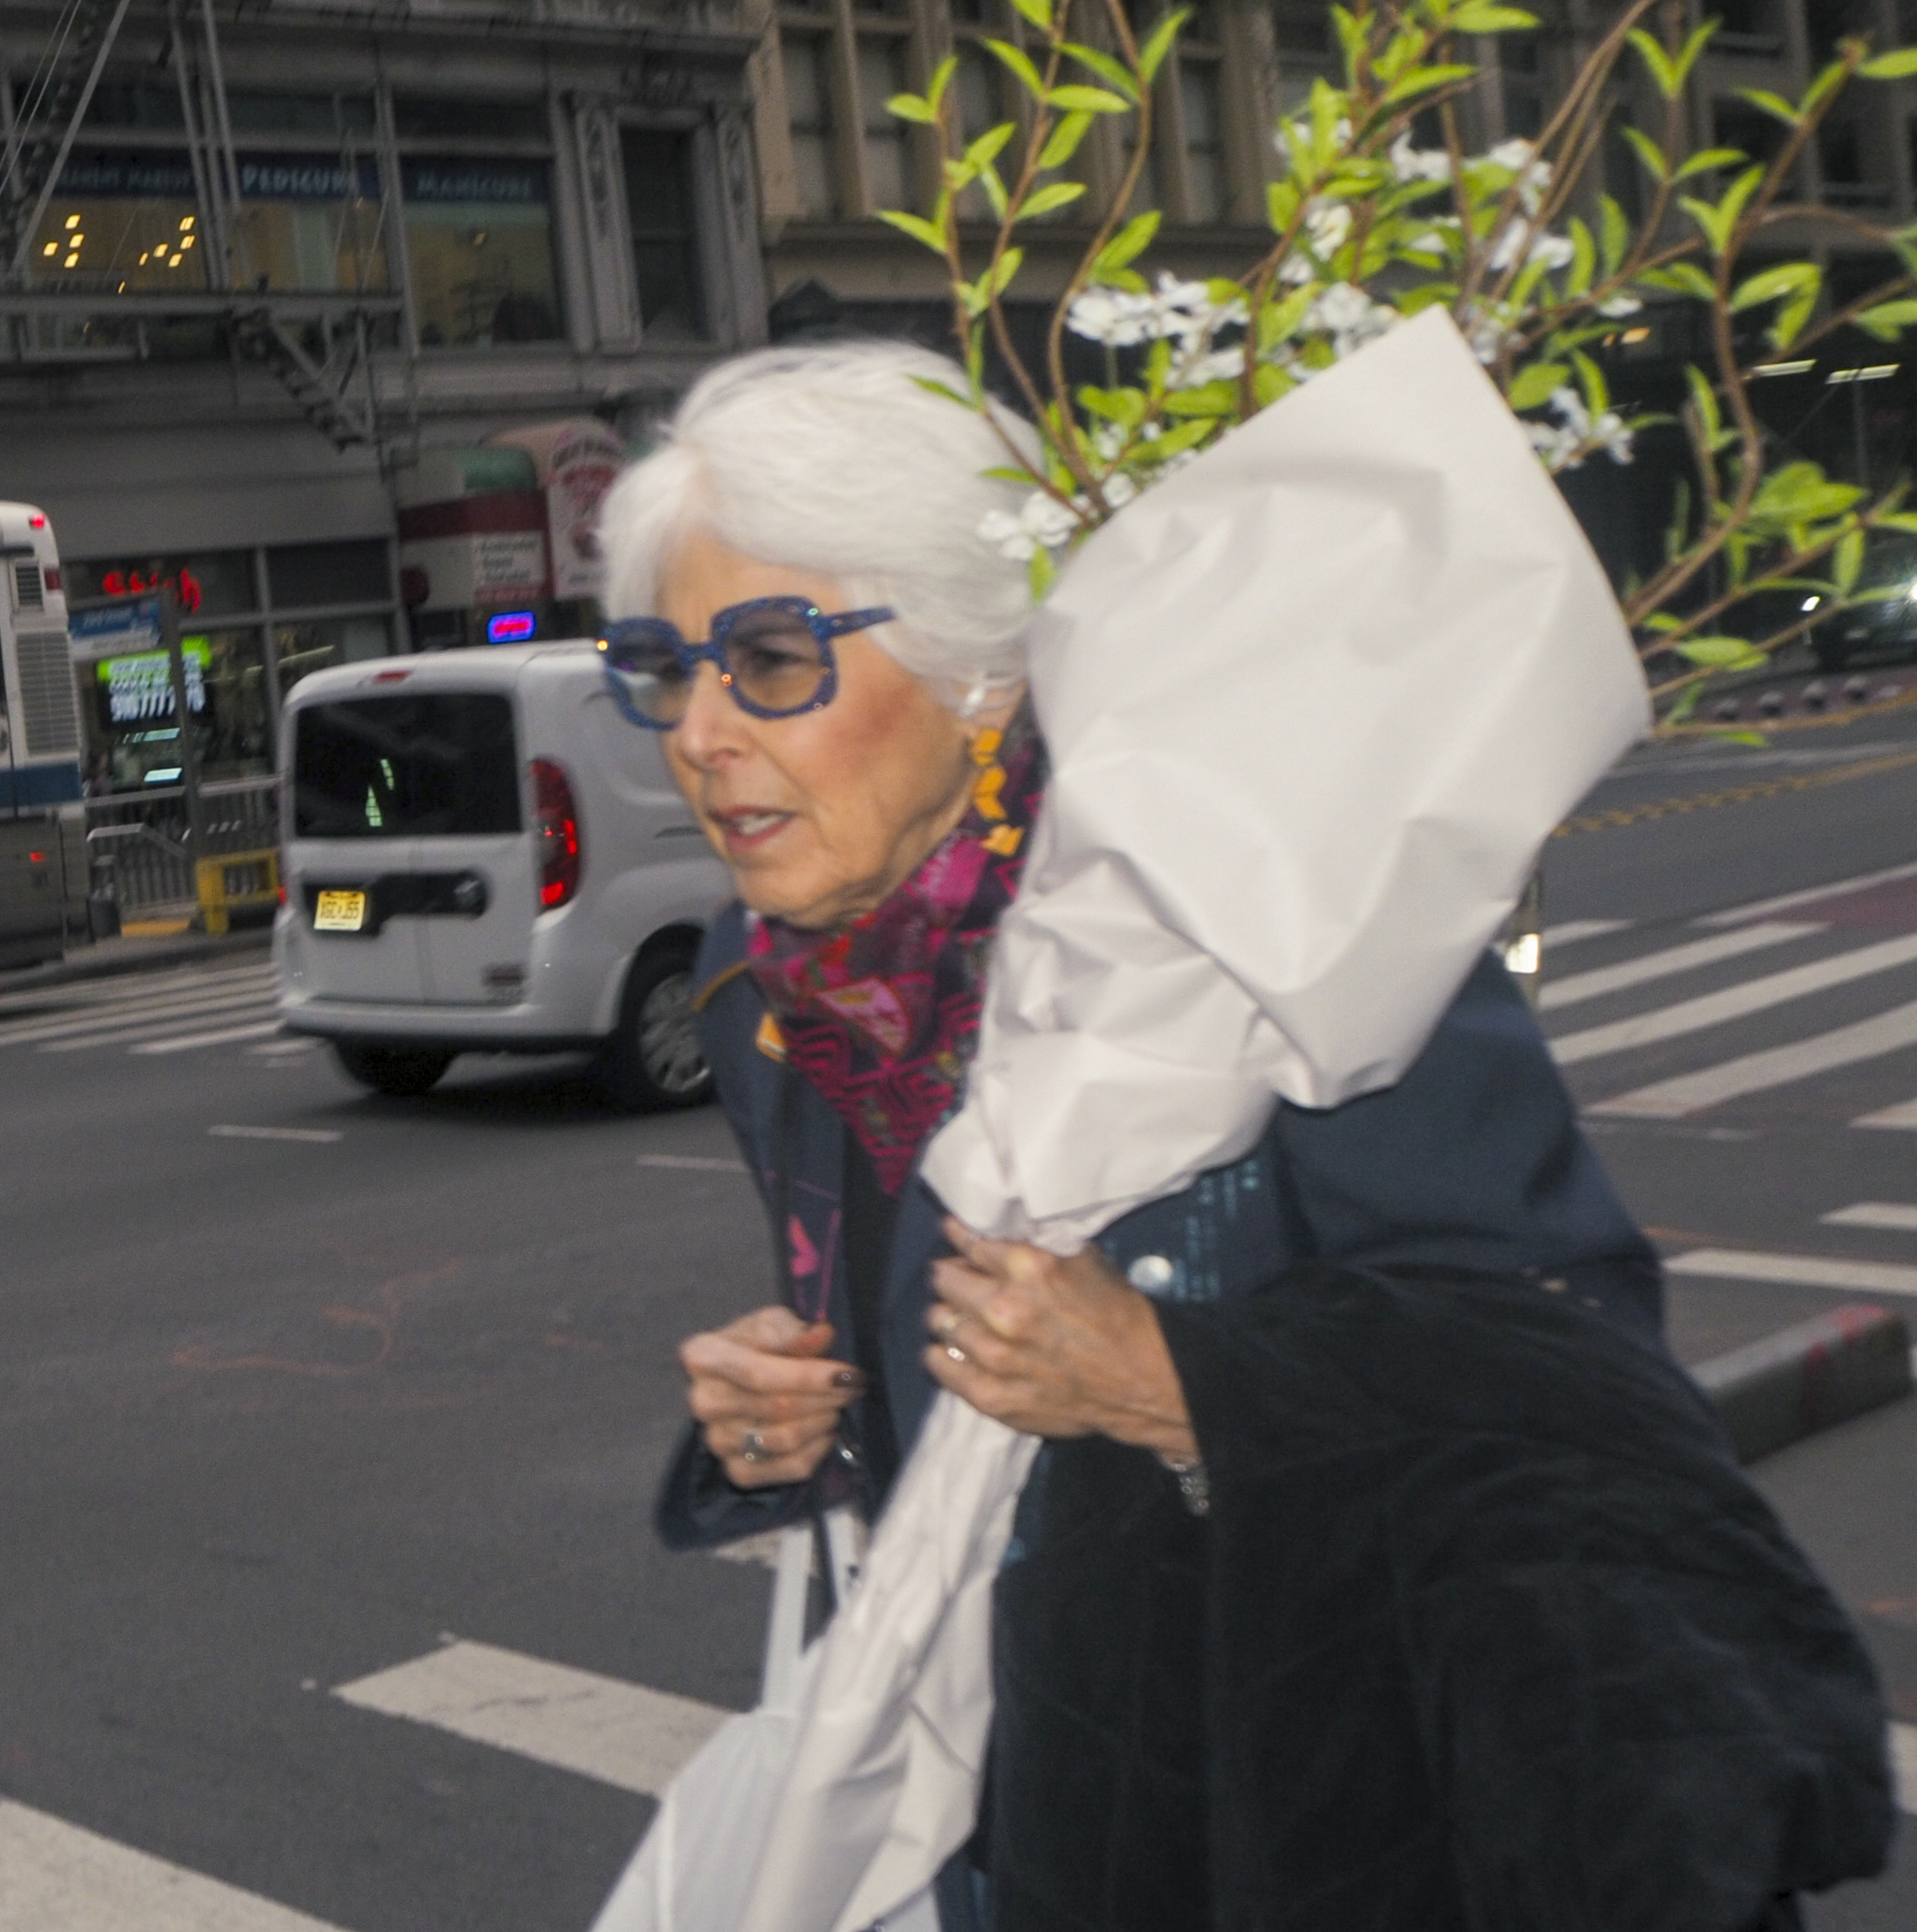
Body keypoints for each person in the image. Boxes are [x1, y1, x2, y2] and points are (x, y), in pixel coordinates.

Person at [596, 342, 1895, 1932]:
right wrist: (801, 1427)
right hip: (999, 1833)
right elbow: (956, 1442)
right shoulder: (782, 1007)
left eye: (775, 657)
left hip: (1295, 1830)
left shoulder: (1259, 918)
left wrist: (1177, 1383)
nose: (699, 734)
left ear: (979, 666)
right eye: (667, 665)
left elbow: (1578, 1374)